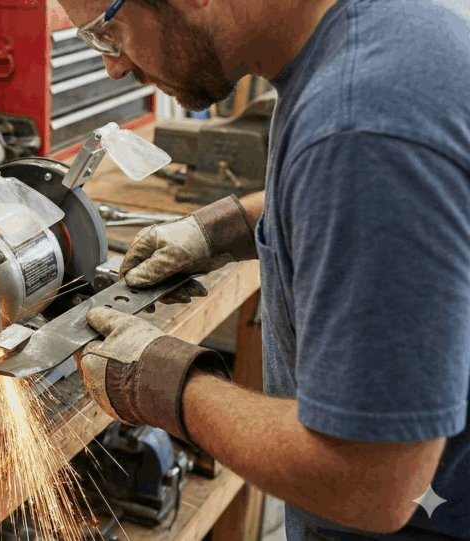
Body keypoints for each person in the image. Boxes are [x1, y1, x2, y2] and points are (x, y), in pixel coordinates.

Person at [60, 0, 470, 539]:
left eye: (108, 33)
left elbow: (370, 485)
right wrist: (220, 230)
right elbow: (344, 196)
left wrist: (163, 384)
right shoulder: (383, 32)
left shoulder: (360, 128)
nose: (113, 66)